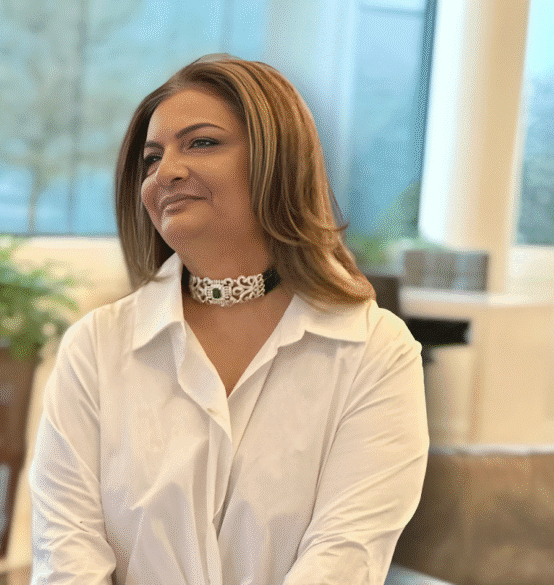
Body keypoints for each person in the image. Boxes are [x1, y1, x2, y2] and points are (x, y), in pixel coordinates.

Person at [29, 55, 428, 585]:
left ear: (276, 161)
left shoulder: (375, 351)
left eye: (201, 143)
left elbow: (343, 558)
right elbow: (67, 555)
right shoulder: (95, 347)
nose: (166, 172)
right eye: (152, 158)